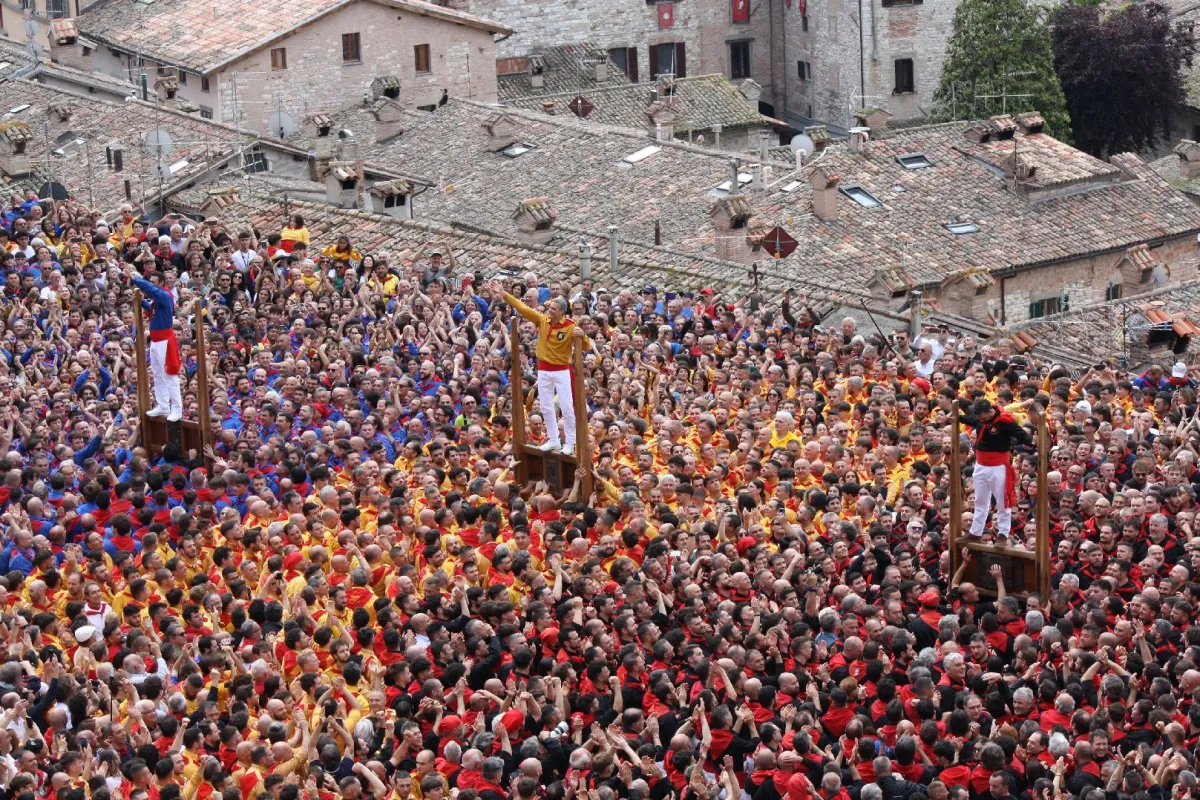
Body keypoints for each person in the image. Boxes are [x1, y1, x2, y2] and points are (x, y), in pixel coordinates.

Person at [488, 279, 584, 455]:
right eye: (549, 308)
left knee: (567, 407)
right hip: (544, 370)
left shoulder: (571, 326)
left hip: (562, 370)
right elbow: (523, 308)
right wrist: (504, 294)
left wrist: (582, 336)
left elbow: (584, 346)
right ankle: (554, 440)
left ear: (562, 311)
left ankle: (570, 442)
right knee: (546, 407)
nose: (549, 310)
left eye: (553, 309)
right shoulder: (543, 320)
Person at [126, 261, 183, 421]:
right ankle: (163, 406)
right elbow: (151, 310)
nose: (150, 285)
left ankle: (177, 408)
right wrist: (139, 301)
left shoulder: (165, 296)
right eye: (149, 282)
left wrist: (135, 278)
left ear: (161, 284)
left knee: (170, 376)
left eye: (153, 283)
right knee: (158, 374)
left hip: (165, 341)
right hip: (155, 341)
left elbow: (150, 291)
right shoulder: (157, 301)